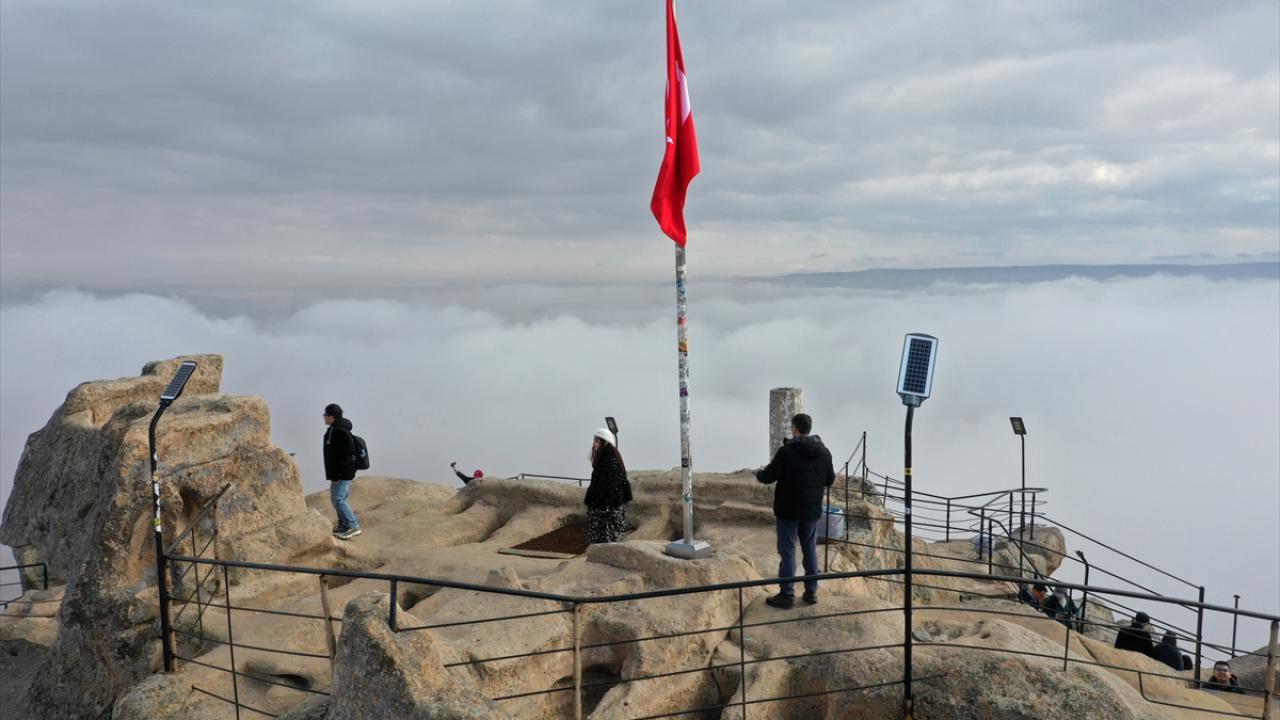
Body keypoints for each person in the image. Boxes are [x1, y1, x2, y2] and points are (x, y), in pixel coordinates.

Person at [756, 413, 836, 609]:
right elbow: (830, 480)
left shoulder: (787, 451)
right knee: (809, 549)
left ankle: (787, 594)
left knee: (788, 550)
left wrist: (758, 473)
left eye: (792, 427)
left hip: (788, 511)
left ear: (795, 429)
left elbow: (768, 477)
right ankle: (811, 592)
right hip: (811, 511)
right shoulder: (824, 452)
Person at [583, 428, 631, 544]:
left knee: (606, 541)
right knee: (609, 540)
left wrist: (604, 507)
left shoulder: (608, 460)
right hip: (607, 508)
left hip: (606, 510)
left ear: (605, 443)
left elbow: (610, 486)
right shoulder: (610, 458)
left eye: (597, 441)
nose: (594, 444)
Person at [323, 403, 361, 540]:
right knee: (337, 499)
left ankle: (353, 526)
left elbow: (343, 455)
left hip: (342, 473)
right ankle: (344, 525)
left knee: (339, 500)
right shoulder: (335, 429)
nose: (323, 418)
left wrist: (337, 475)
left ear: (331, 417)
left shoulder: (339, 431)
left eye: (325, 415)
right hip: (340, 473)